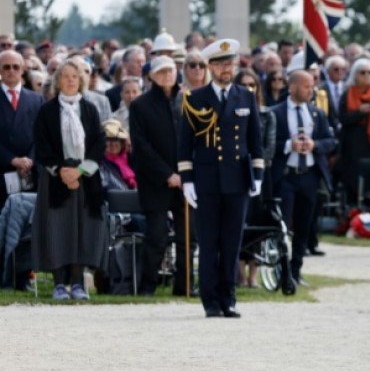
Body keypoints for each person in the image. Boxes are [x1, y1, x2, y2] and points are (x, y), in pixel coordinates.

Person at [178, 39, 264, 318]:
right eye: (221, 64)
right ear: (211, 67)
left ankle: (229, 297)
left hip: (237, 179)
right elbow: (184, 144)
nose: (227, 69)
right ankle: (210, 300)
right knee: (209, 241)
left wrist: (259, 175)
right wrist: (187, 179)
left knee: (231, 242)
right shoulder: (195, 98)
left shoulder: (245, 96)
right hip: (207, 179)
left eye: (231, 63)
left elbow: (255, 140)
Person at [32, 57, 109, 301]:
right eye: (65, 76)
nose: (70, 80)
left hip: (85, 177)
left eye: (74, 76)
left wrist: (80, 171)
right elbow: (42, 146)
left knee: (81, 230)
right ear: (57, 81)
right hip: (56, 177)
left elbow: (99, 143)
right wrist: (63, 171)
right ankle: (58, 285)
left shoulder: (90, 109)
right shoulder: (47, 111)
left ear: (82, 80)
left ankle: (77, 284)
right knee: (57, 229)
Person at [129, 55, 191, 296]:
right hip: (155, 181)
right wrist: (167, 174)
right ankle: (147, 286)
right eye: (163, 72)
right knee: (156, 235)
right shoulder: (140, 105)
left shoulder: (187, 101)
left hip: (185, 180)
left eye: (171, 71)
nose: (168, 75)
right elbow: (141, 146)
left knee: (188, 236)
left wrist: (186, 173)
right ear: (152, 76)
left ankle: (184, 286)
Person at [271, 70, 336, 285]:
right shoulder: (276, 113)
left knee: (304, 226)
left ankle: (296, 272)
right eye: (307, 86)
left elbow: (330, 140)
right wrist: (290, 145)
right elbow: (268, 144)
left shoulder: (317, 113)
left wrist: (313, 145)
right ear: (293, 87)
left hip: (309, 177)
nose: (312, 90)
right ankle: (282, 272)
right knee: (283, 228)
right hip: (286, 177)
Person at [235, 69, 277, 288]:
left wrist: (256, 161)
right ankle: (240, 274)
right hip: (238, 172)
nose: (249, 89)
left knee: (259, 223)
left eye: (253, 85)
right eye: (244, 85)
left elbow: (268, 147)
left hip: (261, 173)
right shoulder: (232, 111)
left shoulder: (266, 114)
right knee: (241, 221)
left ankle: (254, 274)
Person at [1, 49, 43, 211]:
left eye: (15, 67)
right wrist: (12, 160)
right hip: (3, 169)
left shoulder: (36, 99)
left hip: (30, 172)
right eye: (6, 67)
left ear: (22, 70)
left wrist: (29, 160)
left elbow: (42, 135)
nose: (11, 71)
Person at [338, 58, 370, 205]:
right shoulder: (347, 94)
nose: (366, 75)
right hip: (352, 145)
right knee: (352, 179)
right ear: (355, 75)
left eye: (369, 72)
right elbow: (343, 118)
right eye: (362, 72)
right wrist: (360, 112)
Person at [106, 46, 145, 111]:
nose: (141, 65)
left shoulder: (150, 88)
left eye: (143, 61)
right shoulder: (112, 94)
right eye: (137, 62)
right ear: (125, 64)